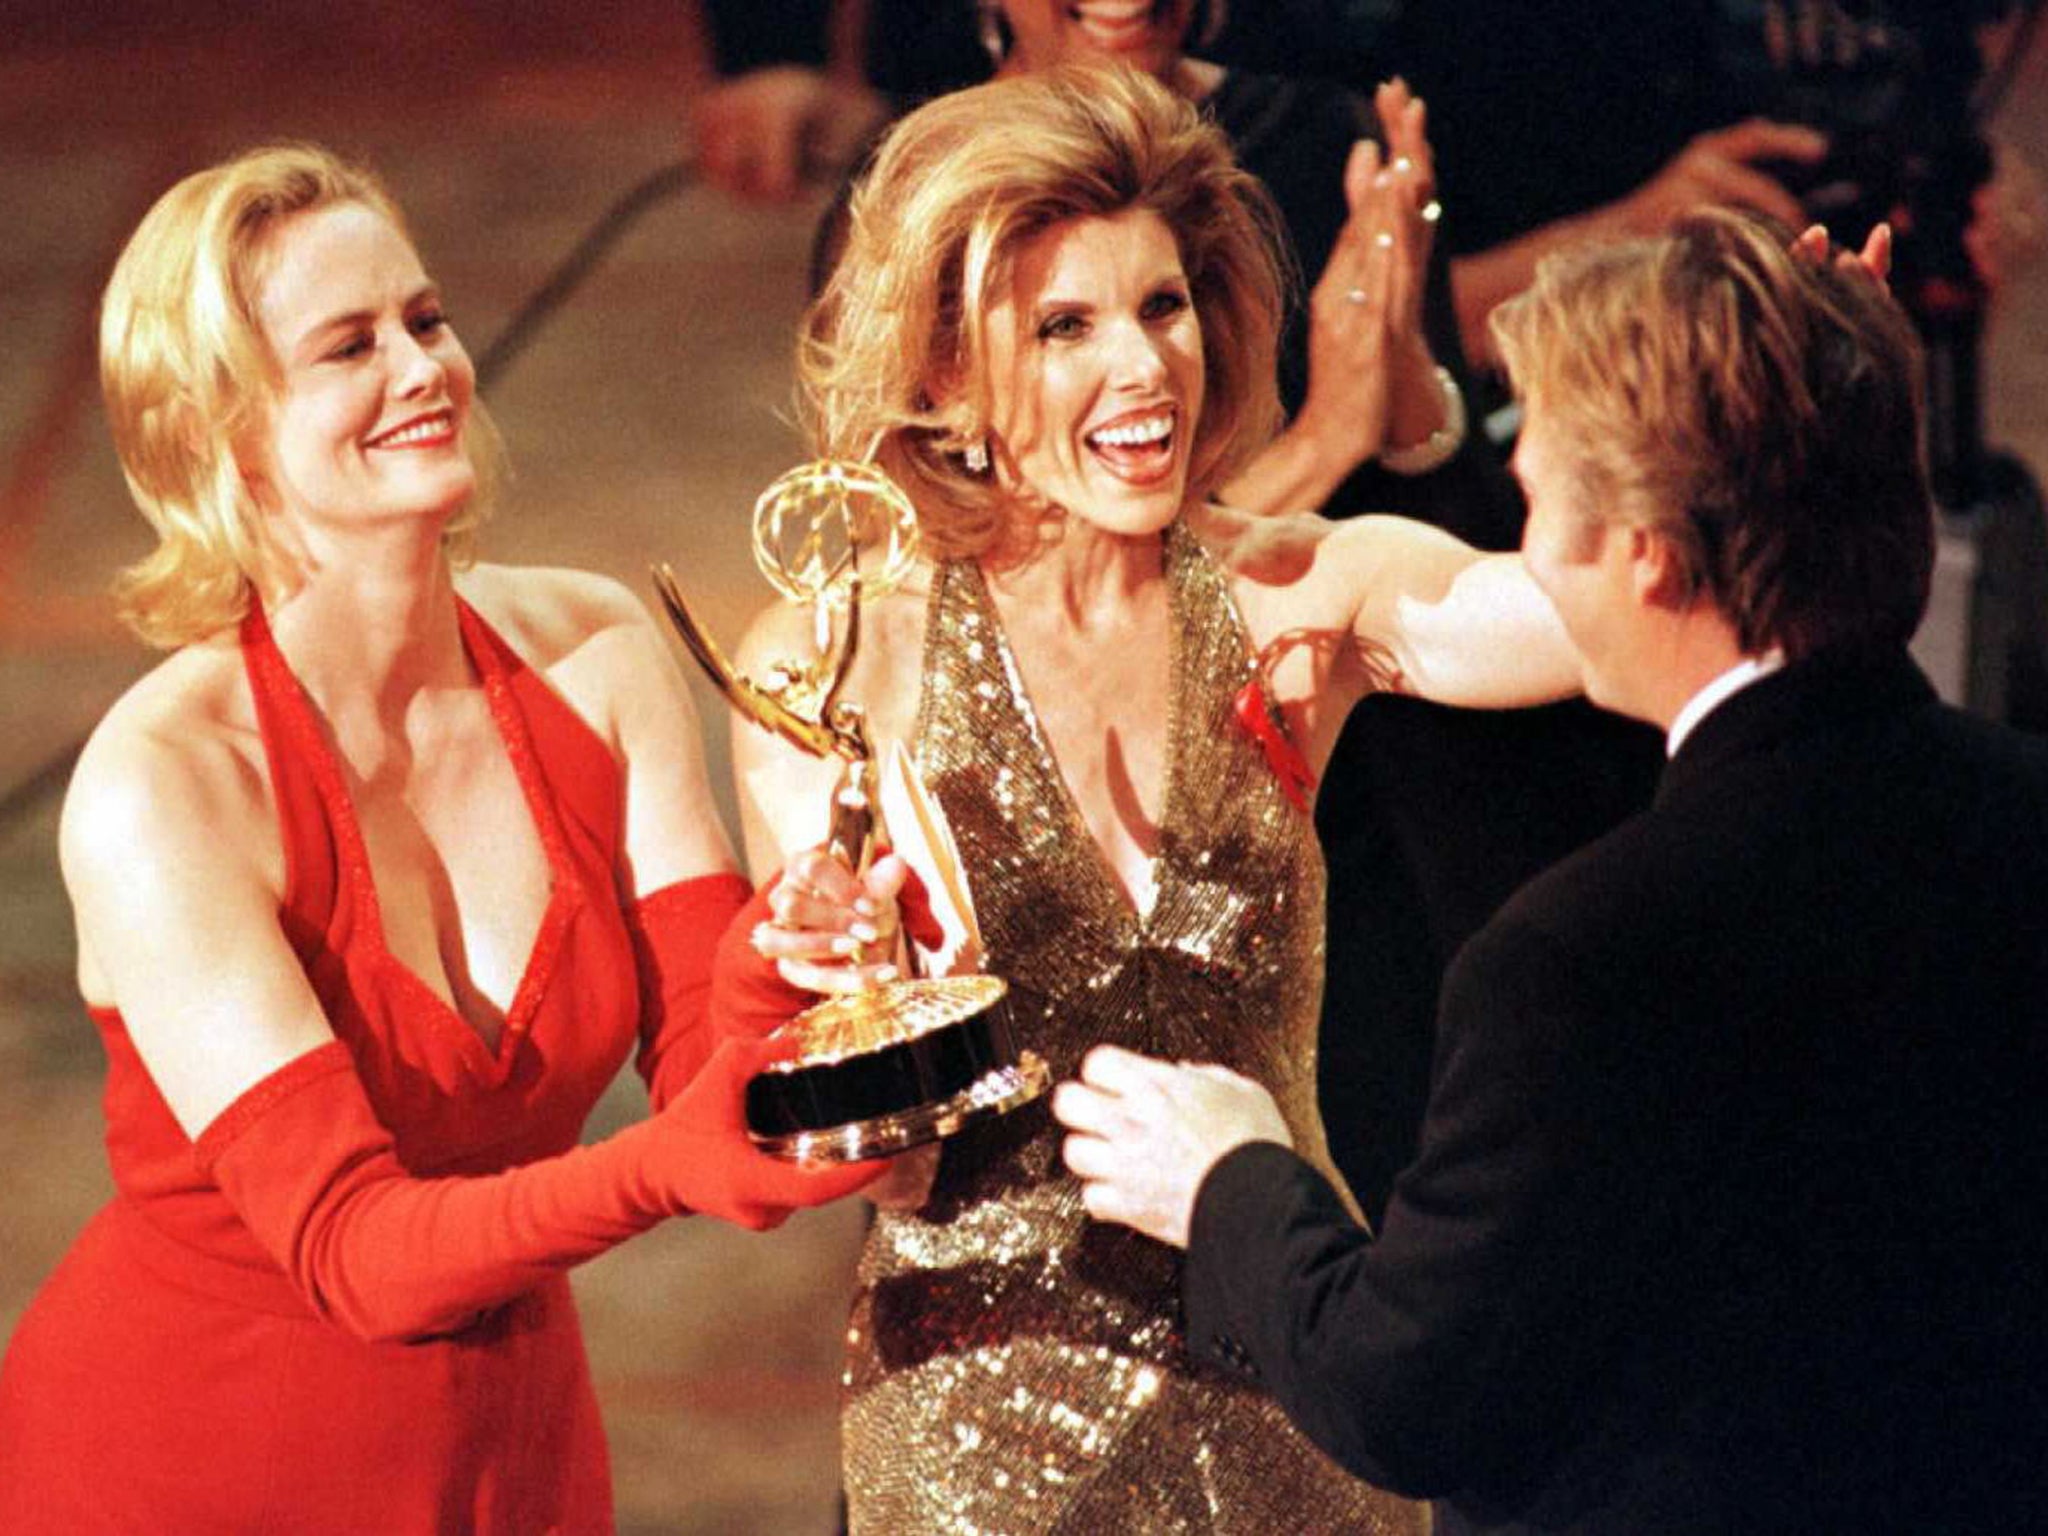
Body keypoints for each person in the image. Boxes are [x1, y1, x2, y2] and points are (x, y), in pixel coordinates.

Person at [1054, 208, 2048, 1533]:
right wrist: (1822, 429)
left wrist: (1232, 1181)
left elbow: (1406, 1395)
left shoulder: (1582, 962)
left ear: (1642, 557)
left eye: (1541, 498)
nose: (1525, 543)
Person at [730, 64, 1589, 1533]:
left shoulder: (1299, 597)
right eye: (1065, 327)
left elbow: (1613, 621)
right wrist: (865, 1024)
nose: (1143, 369)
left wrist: (1773, 428)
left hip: (1296, 1389)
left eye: (1162, 306)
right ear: (946, 378)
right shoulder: (836, 661)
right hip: (982, 1436)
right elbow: (895, 1177)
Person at [0, 143, 885, 1533]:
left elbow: (708, 1051)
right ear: (222, 434)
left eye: (426, 320)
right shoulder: (164, 787)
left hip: (507, 1450)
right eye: (349, 346)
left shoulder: (594, 649)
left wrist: (789, 972)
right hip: (193, 1462)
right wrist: (675, 1164)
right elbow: (355, 1249)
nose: (426, 370)